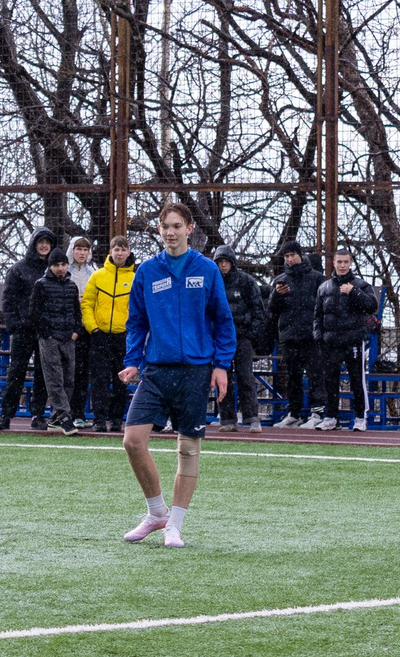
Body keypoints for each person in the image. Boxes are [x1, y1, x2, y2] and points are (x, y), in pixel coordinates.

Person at [117, 202, 238, 547]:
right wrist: (133, 361)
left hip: (197, 371)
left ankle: (176, 525)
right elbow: (137, 322)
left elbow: (223, 320)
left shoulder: (207, 269)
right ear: (159, 230)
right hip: (156, 370)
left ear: (189, 228)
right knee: (133, 440)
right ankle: (157, 513)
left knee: (187, 449)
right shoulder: (147, 272)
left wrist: (220, 365)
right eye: (164, 226)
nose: (170, 232)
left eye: (176, 225)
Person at [0, 226, 60, 431]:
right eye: (40, 242)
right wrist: (14, 324)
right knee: (16, 372)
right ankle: (6, 415)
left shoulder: (55, 271)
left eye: (47, 242)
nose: (44, 246)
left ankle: (38, 414)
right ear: (33, 244)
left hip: (46, 331)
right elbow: (8, 299)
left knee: (43, 374)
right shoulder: (18, 269)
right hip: (23, 330)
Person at [314, 248, 382, 431]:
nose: (342, 265)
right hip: (331, 342)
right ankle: (330, 417)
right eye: (339, 262)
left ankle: (360, 417)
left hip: (353, 341)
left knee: (356, 380)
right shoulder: (324, 287)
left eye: (345, 262)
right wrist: (319, 336)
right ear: (333, 263)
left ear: (350, 263)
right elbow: (318, 315)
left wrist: (354, 292)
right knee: (330, 380)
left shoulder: (360, 285)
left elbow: (372, 306)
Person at [81, 236, 136, 433]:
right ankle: (99, 419)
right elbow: (87, 304)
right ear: (110, 252)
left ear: (128, 252)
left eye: (123, 249)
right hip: (100, 335)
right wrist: (93, 328)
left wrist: (132, 330)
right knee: (99, 379)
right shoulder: (97, 276)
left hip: (124, 337)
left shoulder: (134, 278)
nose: (119, 253)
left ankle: (116, 420)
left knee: (122, 380)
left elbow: (139, 308)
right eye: (116, 249)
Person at [269, 245, 324, 427]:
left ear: (300, 256)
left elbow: (325, 304)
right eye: (286, 256)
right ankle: (294, 413)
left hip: (311, 335)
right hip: (289, 335)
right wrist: (276, 295)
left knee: (316, 374)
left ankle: (317, 413)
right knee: (293, 376)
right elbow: (272, 308)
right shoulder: (280, 281)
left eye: (292, 255)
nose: (289, 259)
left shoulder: (317, 279)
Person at [214, 249, 266, 431]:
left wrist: (251, 333)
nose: (223, 265)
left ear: (232, 262)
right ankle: (227, 419)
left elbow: (258, 310)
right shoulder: (213, 282)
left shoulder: (246, 281)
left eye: (226, 261)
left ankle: (252, 418)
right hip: (221, 340)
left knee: (245, 377)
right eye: (219, 261)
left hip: (242, 338)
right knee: (222, 378)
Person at [33, 248, 83, 434]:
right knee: (55, 378)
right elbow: (35, 313)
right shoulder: (41, 285)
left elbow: (76, 311)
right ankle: (64, 416)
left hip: (68, 338)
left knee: (69, 378)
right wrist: (46, 334)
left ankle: (56, 417)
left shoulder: (71, 286)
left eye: (63, 264)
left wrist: (75, 331)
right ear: (50, 266)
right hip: (50, 338)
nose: (61, 268)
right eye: (56, 265)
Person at [60, 238, 100, 426]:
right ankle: (62, 412)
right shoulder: (63, 271)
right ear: (72, 250)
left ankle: (79, 413)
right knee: (66, 372)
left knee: (82, 373)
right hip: (65, 329)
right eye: (78, 249)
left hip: (85, 328)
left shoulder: (93, 273)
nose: (82, 253)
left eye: (85, 249)